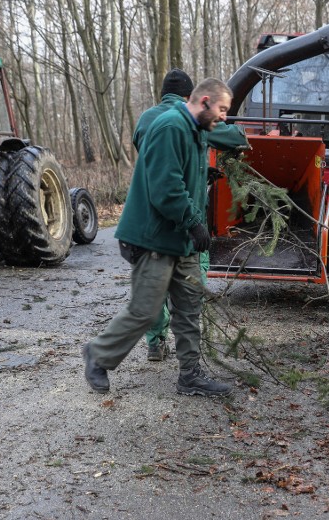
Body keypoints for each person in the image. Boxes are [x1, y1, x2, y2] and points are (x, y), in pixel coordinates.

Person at [82, 78, 235, 397]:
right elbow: (166, 188)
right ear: (204, 101)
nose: (223, 117)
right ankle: (97, 356)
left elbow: (185, 173)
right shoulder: (170, 127)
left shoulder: (196, 131)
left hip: (180, 240)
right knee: (146, 310)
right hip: (153, 239)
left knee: (189, 305)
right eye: (222, 109)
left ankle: (190, 375)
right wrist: (195, 222)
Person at [133, 69, 248, 362]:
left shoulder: (146, 118)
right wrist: (240, 136)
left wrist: (198, 168)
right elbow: (230, 138)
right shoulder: (185, 117)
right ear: (190, 97)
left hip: (147, 217)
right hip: (182, 215)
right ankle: (192, 350)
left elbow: (158, 162)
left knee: (153, 286)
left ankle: (155, 343)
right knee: (191, 279)